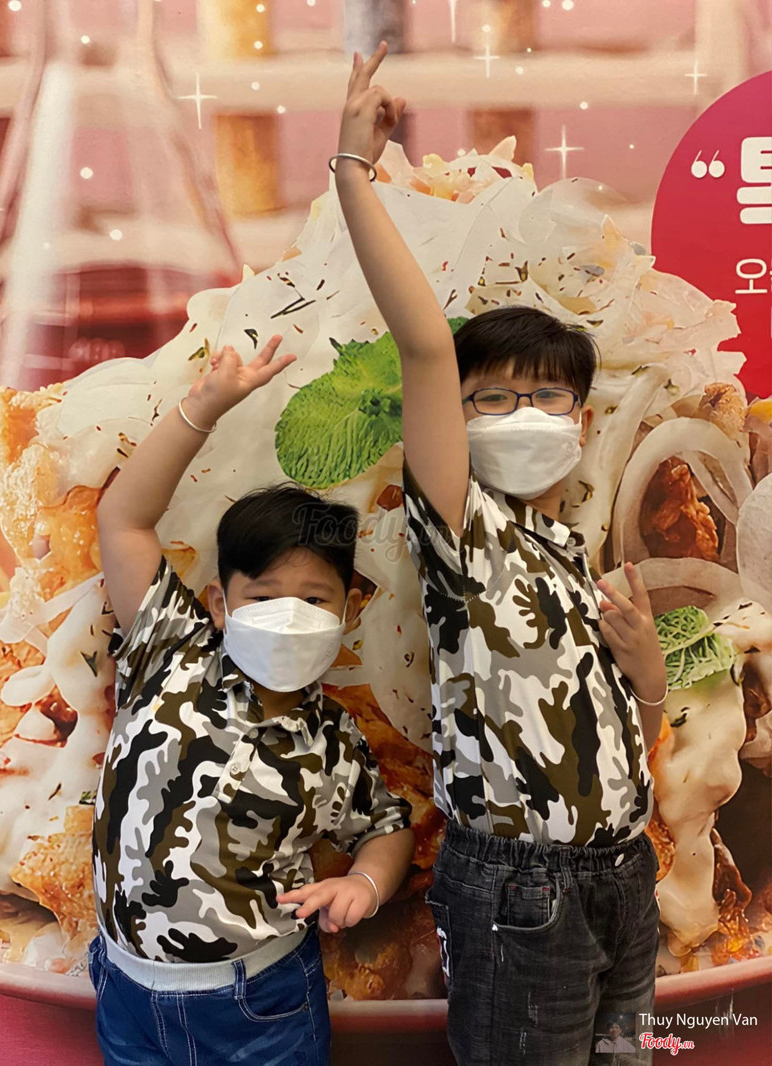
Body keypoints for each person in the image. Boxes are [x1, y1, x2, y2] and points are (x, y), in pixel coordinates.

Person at [333, 43, 665, 1066]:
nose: (525, 412)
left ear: (580, 417)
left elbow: (625, 740)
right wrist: (352, 170)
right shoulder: (463, 532)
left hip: (623, 876)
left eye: (547, 394)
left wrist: (647, 673)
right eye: (493, 398)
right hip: (521, 889)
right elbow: (424, 345)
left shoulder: (573, 555)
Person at [91, 336, 414, 1066]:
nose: (288, 614)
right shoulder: (171, 651)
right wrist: (202, 408)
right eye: (263, 597)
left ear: (348, 611)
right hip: (125, 991)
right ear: (219, 603)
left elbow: (387, 826)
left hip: (261, 1002)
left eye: (313, 599)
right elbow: (123, 520)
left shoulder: (333, 739)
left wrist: (366, 882)